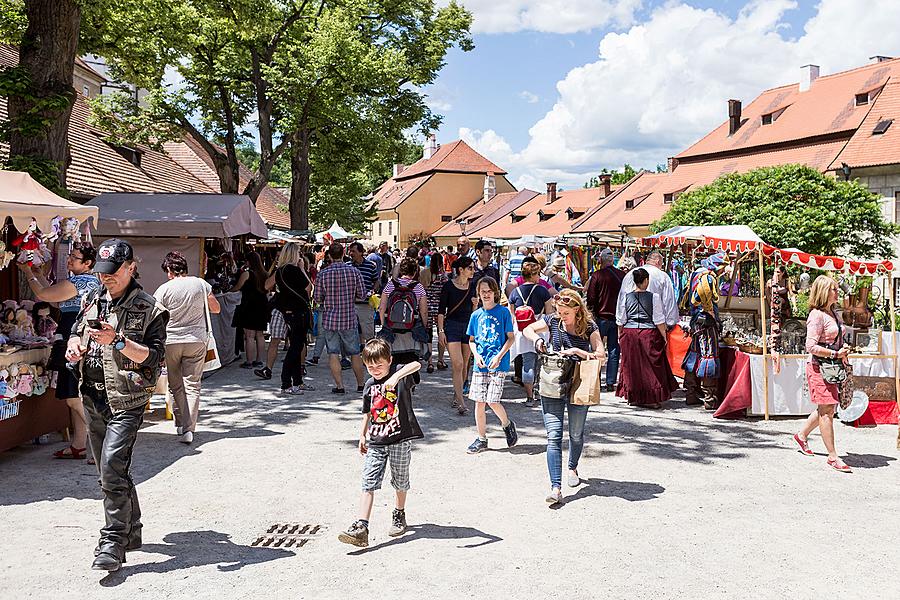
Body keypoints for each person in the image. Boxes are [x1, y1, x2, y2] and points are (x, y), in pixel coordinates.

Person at [64, 239, 168, 571]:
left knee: (110, 465)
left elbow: (153, 359)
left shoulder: (148, 307)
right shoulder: (94, 298)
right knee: (110, 468)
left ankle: (112, 541)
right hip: (93, 394)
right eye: (102, 273)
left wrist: (119, 341)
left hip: (127, 397)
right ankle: (132, 530)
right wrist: (73, 348)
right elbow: (75, 332)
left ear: (131, 268)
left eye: (112, 273)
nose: (106, 279)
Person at [338, 338, 423, 547]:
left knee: (400, 480)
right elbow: (367, 413)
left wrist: (395, 376)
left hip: (400, 439)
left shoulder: (401, 375)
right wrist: (362, 435)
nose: (375, 369)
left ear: (389, 360)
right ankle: (361, 526)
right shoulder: (368, 385)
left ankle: (399, 513)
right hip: (376, 440)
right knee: (368, 481)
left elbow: (417, 364)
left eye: (380, 365)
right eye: (370, 366)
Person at [523, 289, 605, 505]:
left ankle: (572, 466)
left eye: (566, 313)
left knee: (576, 434)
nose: (561, 316)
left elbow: (601, 355)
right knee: (554, 436)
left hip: (579, 381)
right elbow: (528, 329)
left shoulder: (589, 326)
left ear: (577, 310)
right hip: (554, 379)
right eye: (559, 312)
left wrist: (577, 352)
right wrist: (538, 341)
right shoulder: (552, 320)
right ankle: (556, 487)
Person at [26, 242, 100, 460]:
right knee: (76, 393)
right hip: (80, 339)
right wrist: (38, 275)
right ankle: (79, 445)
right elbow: (55, 297)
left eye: (74, 258)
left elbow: (45, 295)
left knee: (72, 397)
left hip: (72, 340)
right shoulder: (91, 281)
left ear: (87, 263)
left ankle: (104, 438)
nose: (69, 260)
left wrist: (28, 272)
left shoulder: (79, 281)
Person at [154, 251, 221, 443]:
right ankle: (189, 429)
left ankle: (180, 423)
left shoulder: (163, 289)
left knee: (175, 385)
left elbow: (156, 317)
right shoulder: (201, 284)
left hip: (172, 340)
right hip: (196, 340)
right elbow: (216, 308)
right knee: (193, 385)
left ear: (169, 269)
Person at [793, 276, 852, 473]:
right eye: (833, 289)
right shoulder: (817, 315)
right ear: (824, 292)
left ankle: (801, 435)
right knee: (827, 409)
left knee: (826, 407)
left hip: (832, 366)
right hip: (820, 367)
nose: (837, 291)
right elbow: (810, 345)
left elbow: (835, 338)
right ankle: (833, 456)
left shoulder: (833, 313)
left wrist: (842, 350)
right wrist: (835, 353)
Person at [465, 276, 517, 454]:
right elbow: (471, 340)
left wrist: (499, 356)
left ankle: (507, 424)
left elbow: (511, 338)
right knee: (479, 402)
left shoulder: (503, 313)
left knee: (492, 400)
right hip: (481, 364)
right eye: (482, 292)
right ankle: (481, 439)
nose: (486, 295)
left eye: (489, 291)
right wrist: (476, 355)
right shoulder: (476, 315)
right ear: (478, 294)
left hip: (498, 363)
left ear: (495, 292)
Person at [616, 268, 677, 409]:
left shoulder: (626, 296)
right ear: (646, 281)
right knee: (650, 368)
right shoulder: (654, 297)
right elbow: (658, 319)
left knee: (632, 366)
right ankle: (651, 398)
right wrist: (664, 336)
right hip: (648, 334)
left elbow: (621, 319)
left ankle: (633, 397)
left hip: (629, 334)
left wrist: (620, 336)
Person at [313, 242, 367, 394]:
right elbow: (362, 294)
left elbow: (317, 298)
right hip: (349, 318)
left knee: (333, 353)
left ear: (329, 255)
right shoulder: (354, 272)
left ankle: (340, 386)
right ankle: (361, 384)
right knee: (355, 352)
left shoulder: (323, 274)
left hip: (330, 320)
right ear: (344, 254)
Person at [261, 242, 313, 394]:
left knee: (295, 347)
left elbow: (266, 286)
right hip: (299, 312)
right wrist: (303, 269)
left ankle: (296, 382)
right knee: (295, 348)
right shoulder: (295, 270)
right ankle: (286, 383)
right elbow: (309, 288)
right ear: (294, 254)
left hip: (288, 313)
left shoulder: (280, 271)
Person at [682, 254, 728, 410]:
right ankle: (709, 398)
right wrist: (712, 315)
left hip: (697, 321)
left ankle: (691, 393)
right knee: (709, 355)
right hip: (706, 321)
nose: (722, 271)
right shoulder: (708, 276)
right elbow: (705, 299)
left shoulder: (696, 273)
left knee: (695, 353)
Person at [508, 261, 554, 407]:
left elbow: (512, 315)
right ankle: (538, 391)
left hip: (521, 332)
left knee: (527, 363)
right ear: (533, 275)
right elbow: (549, 314)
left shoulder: (515, 292)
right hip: (539, 330)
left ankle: (529, 397)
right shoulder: (542, 291)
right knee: (540, 363)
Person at [438, 256, 477, 414]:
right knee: (458, 363)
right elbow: (441, 311)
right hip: (452, 326)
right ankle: (461, 402)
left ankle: (457, 394)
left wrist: (475, 306)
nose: (473, 271)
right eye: (470, 268)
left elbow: (473, 314)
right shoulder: (448, 286)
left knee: (466, 362)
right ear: (461, 270)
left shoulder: (473, 286)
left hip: (468, 327)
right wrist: (441, 331)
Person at [379, 258, 429, 374]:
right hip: (412, 329)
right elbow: (424, 311)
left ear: (401, 270)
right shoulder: (418, 287)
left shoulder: (390, 285)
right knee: (411, 361)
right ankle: (410, 382)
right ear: (415, 271)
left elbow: (382, 308)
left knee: (394, 360)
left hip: (392, 330)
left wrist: (384, 324)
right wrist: (424, 326)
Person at [586, 248, 625, 391]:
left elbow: (591, 297)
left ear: (601, 260)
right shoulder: (622, 275)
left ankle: (594, 378)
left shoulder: (597, 276)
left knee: (596, 348)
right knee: (614, 350)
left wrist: (590, 314)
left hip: (600, 317)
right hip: (617, 318)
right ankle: (610, 382)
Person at [616, 250, 678, 328]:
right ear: (658, 261)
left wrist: (620, 323)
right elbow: (669, 301)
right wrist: (670, 323)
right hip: (653, 327)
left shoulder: (630, 274)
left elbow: (622, 300)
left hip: (630, 326)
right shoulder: (663, 276)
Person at [230, 252, 268, 369]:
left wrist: (230, 290)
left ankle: (249, 361)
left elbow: (237, 287)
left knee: (249, 335)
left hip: (250, 306)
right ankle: (259, 360)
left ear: (249, 261)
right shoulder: (265, 274)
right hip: (262, 305)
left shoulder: (247, 274)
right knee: (260, 335)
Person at [349, 242, 378, 345]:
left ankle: (371, 354)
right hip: (351, 305)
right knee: (352, 333)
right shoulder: (348, 266)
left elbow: (376, 280)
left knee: (368, 332)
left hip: (365, 305)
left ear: (361, 252)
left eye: (354, 251)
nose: (351, 253)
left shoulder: (370, 266)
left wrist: (373, 290)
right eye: (350, 251)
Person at [424, 257, 449, 373]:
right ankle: (440, 359)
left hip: (427, 308)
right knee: (441, 333)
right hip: (440, 309)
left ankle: (429, 362)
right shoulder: (443, 278)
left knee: (428, 336)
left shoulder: (425, 274)